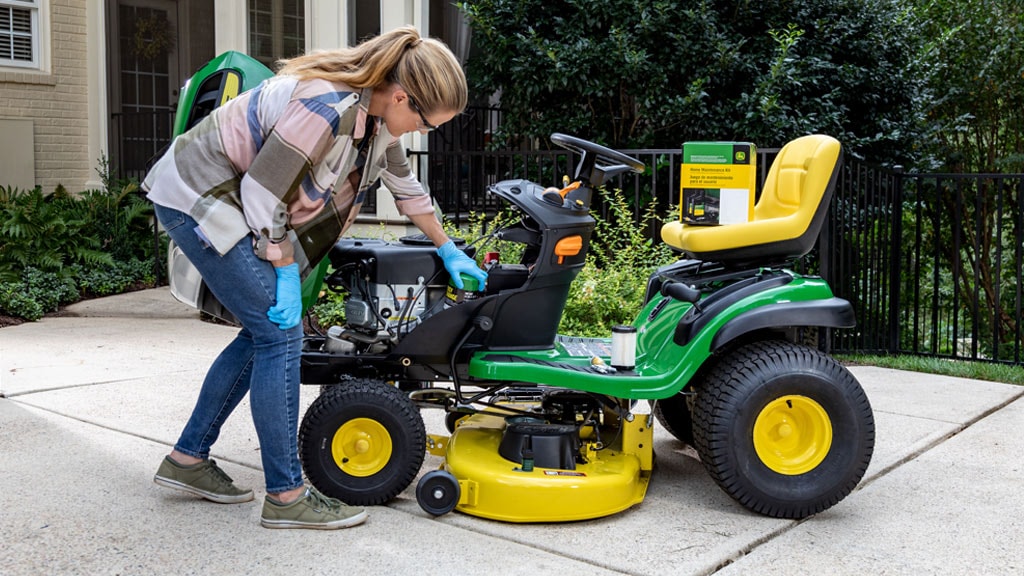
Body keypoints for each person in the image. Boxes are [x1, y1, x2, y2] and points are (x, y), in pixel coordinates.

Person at [143, 26, 487, 530]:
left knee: (261, 333)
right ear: (400, 96)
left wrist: (447, 246)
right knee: (280, 335)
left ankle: (188, 460)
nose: (420, 132)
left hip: (241, 202)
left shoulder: (378, 121)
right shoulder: (325, 107)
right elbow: (263, 196)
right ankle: (286, 497)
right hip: (200, 195)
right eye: (426, 123)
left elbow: (404, 185)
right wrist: (284, 269)